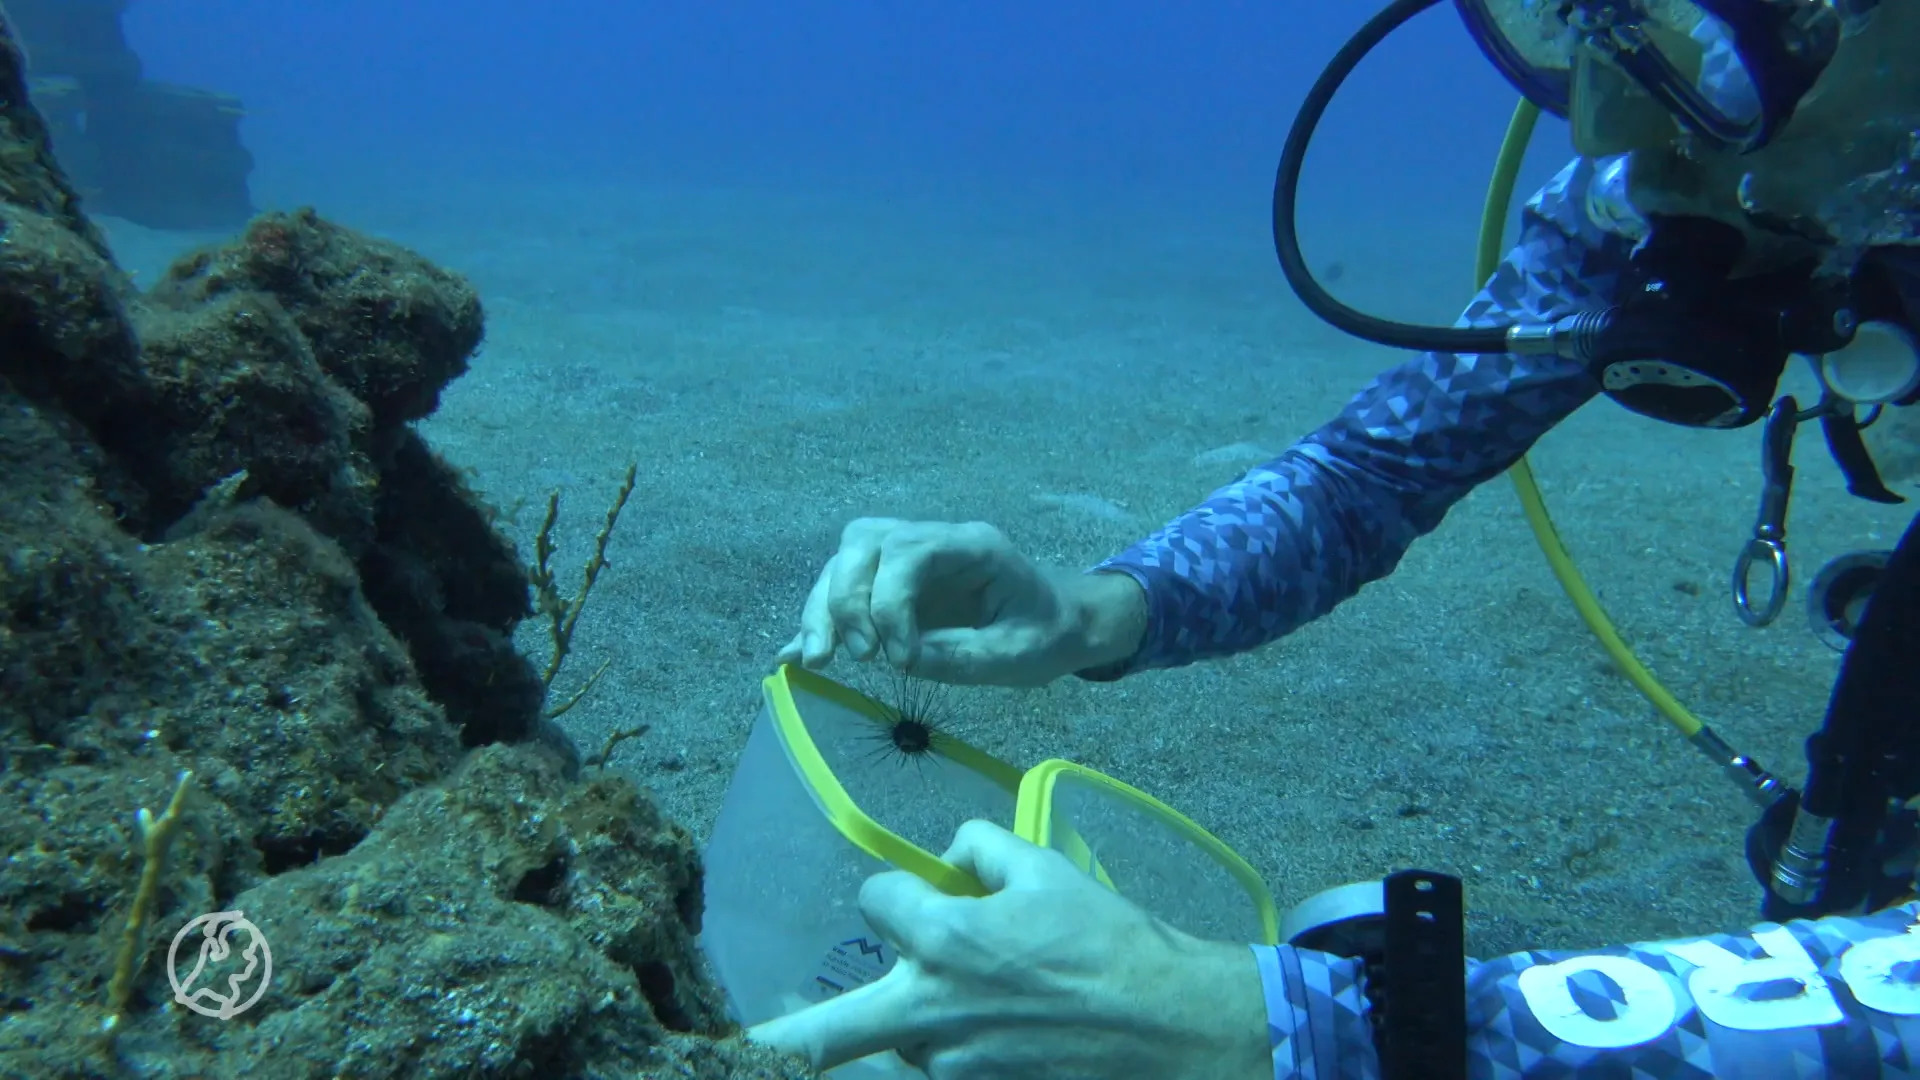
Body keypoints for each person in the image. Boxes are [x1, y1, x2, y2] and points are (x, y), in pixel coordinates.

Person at [751, 1, 1920, 1076]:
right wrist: (1094, 610)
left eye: (1700, 40)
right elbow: (1373, 474)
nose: (1612, 120)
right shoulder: (1660, 180)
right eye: (1577, 30)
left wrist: (1285, 1024)